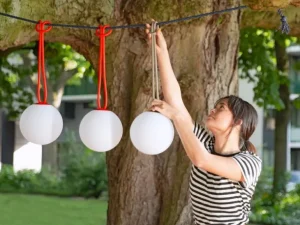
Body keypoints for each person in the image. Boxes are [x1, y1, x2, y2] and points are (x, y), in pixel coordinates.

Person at [146, 24, 262, 225]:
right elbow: (175, 100)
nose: (213, 110)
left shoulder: (249, 163)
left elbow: (202, 161)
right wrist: (161, 53)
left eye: (221, 107)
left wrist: (177, 117)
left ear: (238, 122)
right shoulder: (205, 143)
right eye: (215, 106)